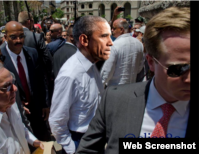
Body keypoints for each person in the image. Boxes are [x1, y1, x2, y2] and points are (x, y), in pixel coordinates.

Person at [76, 7, 192, 154]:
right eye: (179, 69)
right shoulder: (114, 101)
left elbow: (106, 73)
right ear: (151, 62)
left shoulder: (114, 46)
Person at [49, 15, 113, 154]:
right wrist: (73, 150)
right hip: (79, 140)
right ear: (84, 40)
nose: (110, 43)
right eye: (103, 36)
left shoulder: (92, 65)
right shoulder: (70, 75)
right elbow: (56, 120)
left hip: (95, 137)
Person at [1, 21, 51, 141]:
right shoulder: (0, 58)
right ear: (5, 37)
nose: (18, 40)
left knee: (44, 141)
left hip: (37, 108)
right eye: (13, 37)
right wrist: (16, 102)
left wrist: (45, 104)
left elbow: (41, 80)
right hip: (15, 113)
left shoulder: (32, 53)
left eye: (21, 36)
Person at [18, 10, 53, 108]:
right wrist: (50, 74)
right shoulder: (36, 37)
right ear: (29, 22)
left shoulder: (10, 40)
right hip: (37, 79)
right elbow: (47, 58)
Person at [100, 19, 144, 87]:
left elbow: (107, 71)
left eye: (114, 28)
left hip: (115, 88)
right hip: (131, 87)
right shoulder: (139, 44)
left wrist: (100, 86)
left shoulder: (114, 45)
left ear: (121, 29)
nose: (112, 30)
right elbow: (140, 67)